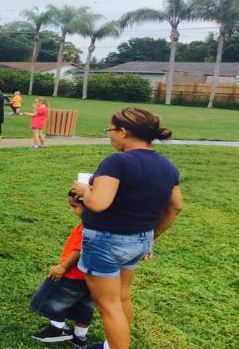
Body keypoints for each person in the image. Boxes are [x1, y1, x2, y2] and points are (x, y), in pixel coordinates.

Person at [69, 107, 183, 349]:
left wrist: (84, 190)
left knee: (108, 307)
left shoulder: (117, 162)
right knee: (121, 299)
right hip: (138, 242)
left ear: (124, 131)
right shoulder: (167, 165)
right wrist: (152, 237)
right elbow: (175, 207)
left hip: (106, 244)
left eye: (110, 130)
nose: (109, 136)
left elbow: (99, 203)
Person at [29, 200, 93, 348]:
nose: (73, 210)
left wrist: (63, 266)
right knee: (85, 307)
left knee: (52, 301)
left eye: (75, 206)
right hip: (93, 278)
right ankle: (79, 337)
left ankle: (57, 330)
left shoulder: (87, 227)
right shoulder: (104, 227)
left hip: (73, 274)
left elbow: (79, 250)